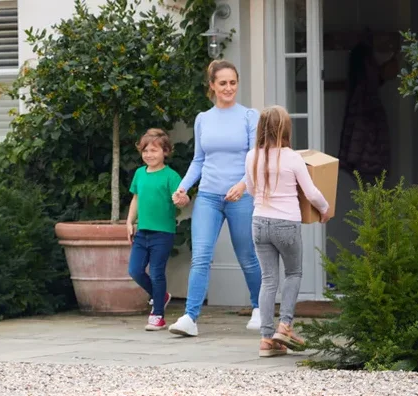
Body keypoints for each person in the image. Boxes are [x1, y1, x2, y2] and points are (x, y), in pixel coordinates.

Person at [169, 59, 262, 337]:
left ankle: (260, 309)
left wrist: (244, 185)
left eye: (233, 82)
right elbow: (199, 160)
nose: (228, 88)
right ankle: (190, 317)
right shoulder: (202, 119)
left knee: (247, 256)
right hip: (208, 196)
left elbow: (256, 158)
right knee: (201, 257)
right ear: (212, 86)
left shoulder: (249, 116)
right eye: (222, 83)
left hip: (239, 196)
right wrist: (183, 187)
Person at [244, 105, 332, 357]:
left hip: (259, 222)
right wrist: (325, 209)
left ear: (261, 128)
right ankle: (285, 325)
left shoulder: (252, 156)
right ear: (285, 129)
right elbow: (311, 192)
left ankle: (266, 339)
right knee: (293, 273)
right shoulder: (292, 157)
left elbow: (250, 189)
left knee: (268, 279)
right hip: (286, 223)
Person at [126, 128, 183, 331]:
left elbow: (181, 200)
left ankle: (158, 314)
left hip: (163, 233)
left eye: (154, 150)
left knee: (157, 272)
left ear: (165, 152)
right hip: (142, 232)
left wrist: (182, 200)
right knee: (135, 270)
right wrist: (129, 222)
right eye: (145, 151)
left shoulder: (171, 176)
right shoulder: (139, 174)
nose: (149, 155)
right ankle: (163, 296)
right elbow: (136, 198)